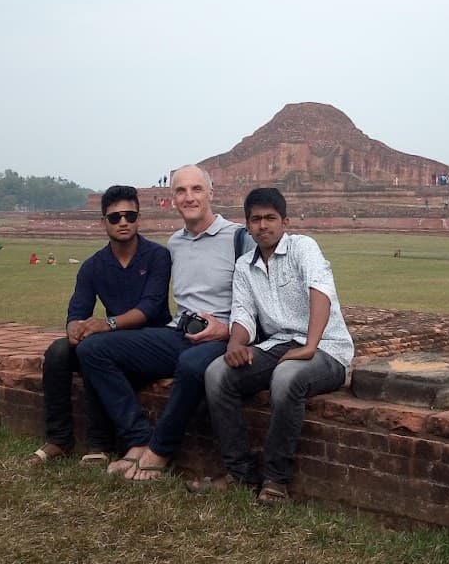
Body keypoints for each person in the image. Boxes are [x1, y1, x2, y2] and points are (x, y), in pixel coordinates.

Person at [79, 165, 246, 481]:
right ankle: (138, 438)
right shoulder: (176, 243)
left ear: (211, 193)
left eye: (197, 189)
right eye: (181, 191)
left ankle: (159, 451)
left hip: (222, 335)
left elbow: (256, 299)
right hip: (179, 331)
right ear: (173, 199)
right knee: (94, 350)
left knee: (191, 365)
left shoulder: (238, 238)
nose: (189, 197)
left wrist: (225, 329)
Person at [192, 187, 353, 505]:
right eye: (255, 219)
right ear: (247, 224)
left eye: (270, 218)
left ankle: (276, 481)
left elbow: (320, 291)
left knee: (286, 378)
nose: (262, 226)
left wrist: (310, 345)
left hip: (327, 349)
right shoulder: (244, 266)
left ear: (285, 221)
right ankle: (241, 473)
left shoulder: (302, 248)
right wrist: (235, 344)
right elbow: (242, 313)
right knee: (216, 374)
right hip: (279, 345)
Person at [26, 185, 171, 467]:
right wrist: (74, 330)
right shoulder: (94, 266)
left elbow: (149, 308)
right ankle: (59, 439)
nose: (123, 222)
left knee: (95, 348)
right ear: (103, 222)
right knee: (59, 352)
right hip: (110, 340)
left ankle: (100, 443)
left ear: (138, 218)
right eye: (115, 217)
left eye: (130, 215)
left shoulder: (157, 256)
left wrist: (108, 324)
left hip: (151, 340)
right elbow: (77, 311)